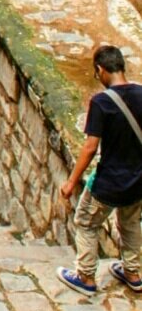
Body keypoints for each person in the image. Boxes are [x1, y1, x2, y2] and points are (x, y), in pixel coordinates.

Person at [58, 43, 142, 296]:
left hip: (109, 182)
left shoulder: (102, 102)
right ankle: (133, 272)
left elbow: (90, 147)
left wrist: (71, 181)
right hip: (138, 180)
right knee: (130, 223)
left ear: (100, 70)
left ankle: (85, 276)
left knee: (85, 221)